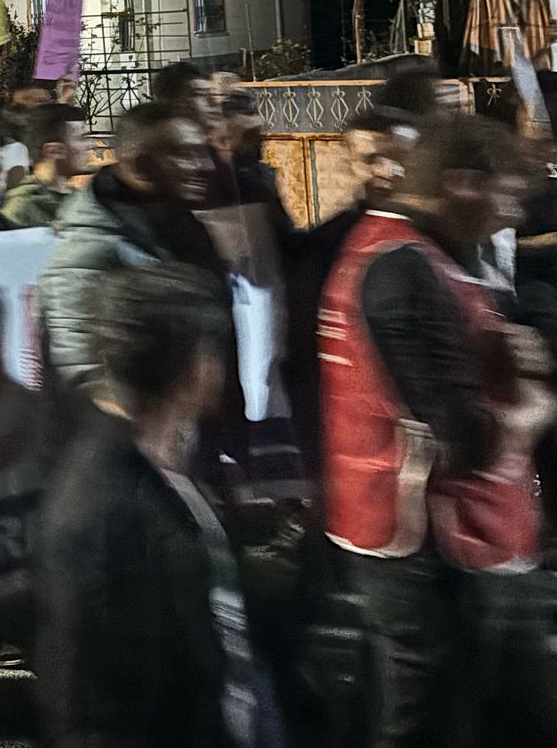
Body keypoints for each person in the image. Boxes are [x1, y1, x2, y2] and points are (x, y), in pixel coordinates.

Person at [320, 113, 557, 747]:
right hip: (429, 549)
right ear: (464, 183)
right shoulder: (402, 270)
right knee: (431, 723)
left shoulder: (425, 253)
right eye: (510, 192)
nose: (518, 211)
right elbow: (462, 444)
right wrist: (536, 407)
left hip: (460, 540)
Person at [36, 264, 264, 748]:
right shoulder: (101, 505)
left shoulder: (167, 458)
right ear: (196, 366)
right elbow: (82, 696)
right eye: (215, 349)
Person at [40, 102, 223, 400]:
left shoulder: (184, 225)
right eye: (187, 155)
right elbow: (82, 378)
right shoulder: (85, 253)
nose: (206, 166)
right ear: (141, 166)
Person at [281, 106, 418, 468]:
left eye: (401, 158)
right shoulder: (323, 249)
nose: (388, 172)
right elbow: (305, 356)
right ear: (348, 165)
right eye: (372, 159)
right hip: (354, 442)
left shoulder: (439, 238)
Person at [0, 102, 88, 229]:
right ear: (53, 151)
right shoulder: (22, 207)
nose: (89, 145)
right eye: (81, 138)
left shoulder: (81, 198)